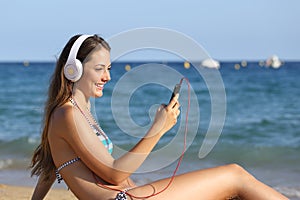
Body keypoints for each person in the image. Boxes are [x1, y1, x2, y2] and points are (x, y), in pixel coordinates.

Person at [30, 34, 288, 200]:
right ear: (73, 70)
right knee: (235, 176)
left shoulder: (74, 112)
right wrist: (158, 129)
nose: (108, 77)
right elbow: (114, 174)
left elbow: (49, 169)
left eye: (108, 68)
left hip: (131, 195)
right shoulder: (68, 113)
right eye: (99, 69)